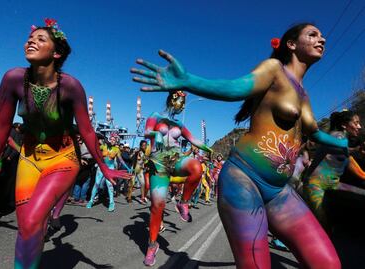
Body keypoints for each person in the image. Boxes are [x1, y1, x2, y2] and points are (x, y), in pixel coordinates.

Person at [132, 23, 346, 268]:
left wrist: (344, 142)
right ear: (291, 44)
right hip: (244, 180)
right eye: (313, 34)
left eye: (321, 35)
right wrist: (188, 81)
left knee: (328, 263)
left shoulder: (304, 95)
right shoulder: (274, 69)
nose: (322, 39)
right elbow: (237, 88)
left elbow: (316, 134)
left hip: (279, 191)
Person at [0, 18, 129, 269]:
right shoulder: (13, 79)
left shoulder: (70, 86)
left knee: (32, 222)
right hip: (29, 157)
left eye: (41, 39)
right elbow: (3, 126)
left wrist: (104, 166)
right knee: (27, 227)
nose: (31, 41)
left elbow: (88, 131)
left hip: (62, 158)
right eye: (31, 37)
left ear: (56, 52)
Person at [140, 90, 211, 266]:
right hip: (158, 163)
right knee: (157, 206)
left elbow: (193, 139)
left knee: (196, 167)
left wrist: (209, 149)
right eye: (182, 101)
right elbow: (147, 131)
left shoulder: (179, 123)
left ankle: (183, 202)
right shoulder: (155, 116)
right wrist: (155, 134)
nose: (183, 106)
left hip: (176, 159)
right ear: (173, 99)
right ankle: (152, 245)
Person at [303, 110, 365, 232]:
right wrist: (356, 149)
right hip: (315, 186)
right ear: (344, 125)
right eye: (356, 123)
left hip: (333, 184)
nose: (359, 126)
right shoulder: (337, 136)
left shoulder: (344, 144)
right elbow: (339, 147)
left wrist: (358, 152)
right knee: (324, 228)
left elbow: (353, 166)